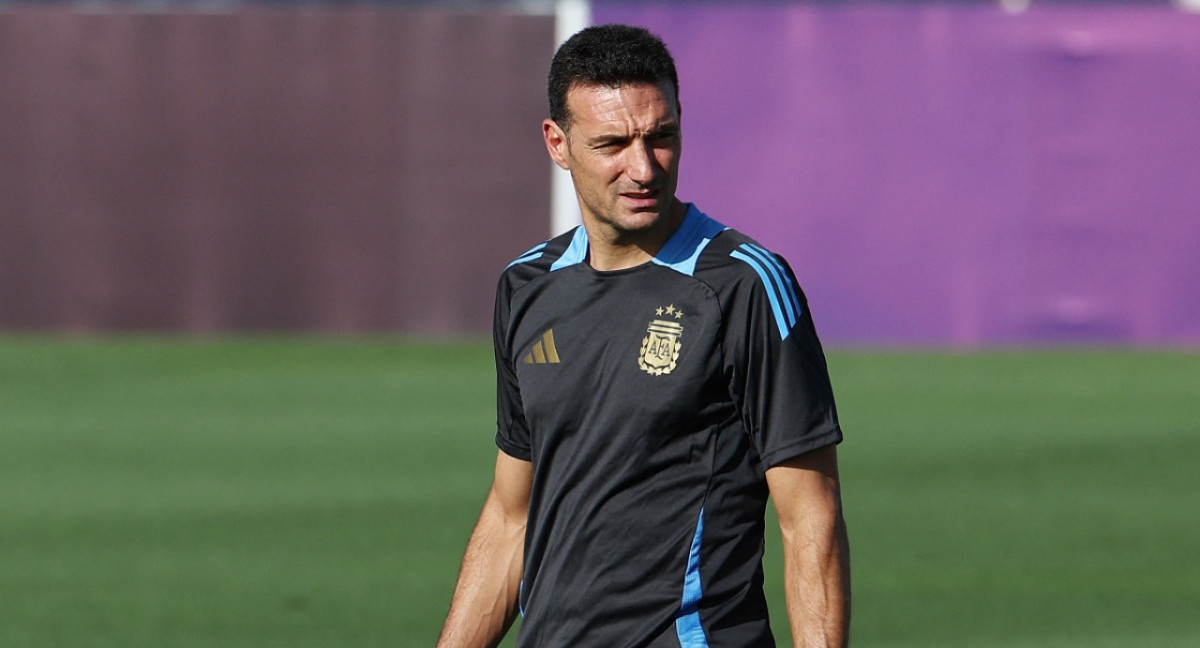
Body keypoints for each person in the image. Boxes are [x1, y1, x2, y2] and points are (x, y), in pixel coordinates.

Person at [437, 24, 849, 648]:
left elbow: (809, 517)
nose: (643, 167)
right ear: (558, 142)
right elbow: (510, 516)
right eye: (612, 144)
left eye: (661, 137)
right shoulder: (526, 286)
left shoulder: (743, 285)